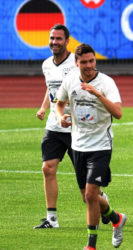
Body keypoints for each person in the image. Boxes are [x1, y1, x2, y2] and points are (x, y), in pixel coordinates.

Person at [55, 43, 126, 250]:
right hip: (77, 145)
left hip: (101, 145)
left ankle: (91, 245)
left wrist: (97, 94)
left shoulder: (106, 83)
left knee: (90, 194)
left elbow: (119, 113)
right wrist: (60, 118)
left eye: (92, 61)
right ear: (76, 63)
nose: (89, 65)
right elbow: (59, 104)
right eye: (84, 62)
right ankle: (116, 218)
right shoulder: (70, 81)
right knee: (88, 197)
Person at [34, 24, 76, 229]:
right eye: (52, 38)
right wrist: (43, 108)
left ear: (67, 41)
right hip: (54, 126)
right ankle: (51, 219)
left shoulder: (77, 63)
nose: (54, 42)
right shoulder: (46, 65)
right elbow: (51, 89)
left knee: (86, 185)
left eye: (59, 39)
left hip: (77, 129)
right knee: (47, 169)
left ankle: (102, 204)